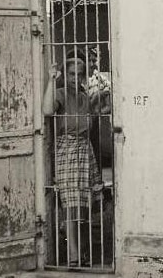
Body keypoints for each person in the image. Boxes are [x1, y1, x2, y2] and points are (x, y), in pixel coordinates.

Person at [42, 52, 103, 267]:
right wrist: (50, 78)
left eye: (79, 74)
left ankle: (84, 253)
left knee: (85, 206)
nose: (75, 78)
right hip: (66, 152)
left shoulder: (84, 97)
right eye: (71, 74)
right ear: (64, 75)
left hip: (84, 151)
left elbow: (90, 125)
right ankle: (73, 256)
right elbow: (47, 111)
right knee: (70, 206)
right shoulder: (59, 93)